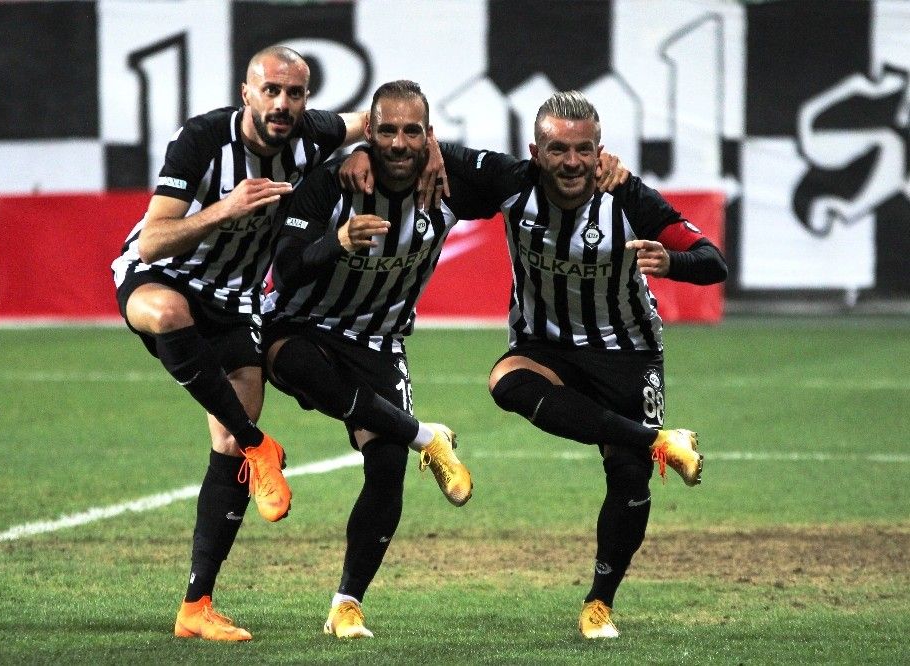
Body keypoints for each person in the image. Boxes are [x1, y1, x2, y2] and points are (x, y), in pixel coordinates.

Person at [262, 80, 627, 639]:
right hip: (302, 325)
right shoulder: (333, 181)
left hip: (379, 341)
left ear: (429, 136)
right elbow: (285, 271)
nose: (399, 143)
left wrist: (606, 169)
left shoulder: (449, 180)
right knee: (292, 365)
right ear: (370, 133)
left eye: (413, 132)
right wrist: (338, 241)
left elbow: (533, 174)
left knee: (386, 466)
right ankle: (424, 436)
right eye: (387, 131)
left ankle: (346, 605)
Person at [111, 46, 443, 642]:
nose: (281, 104)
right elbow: (151, 242)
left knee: (225, 447)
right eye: (270, 91)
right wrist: (226, 208)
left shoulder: (312, 134)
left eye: (294, 94)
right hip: (165, 277)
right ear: (247, 93)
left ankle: (196, 606)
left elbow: (381, 123)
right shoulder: (201, 140)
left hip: (236, 299)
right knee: (166, 313)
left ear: (305, 99)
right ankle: (258, 444)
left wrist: (422, 149)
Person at [439, 90, 727, 639]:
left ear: (600, 152)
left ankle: (600, 602)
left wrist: (672, 261)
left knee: (629, 477)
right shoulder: (511, 182)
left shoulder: (629, 197)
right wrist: (410, 151)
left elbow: (713, 262)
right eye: (558, 149)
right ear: (535, 152)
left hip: (627, 351)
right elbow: (436, 148)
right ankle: (660, 440)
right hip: (546, 345)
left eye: (583, 149)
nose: (571, 161)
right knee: (505, 382)